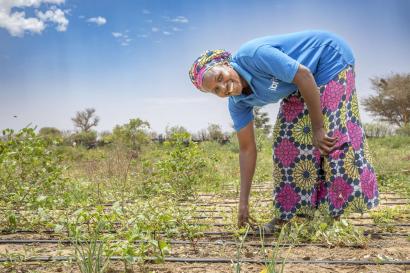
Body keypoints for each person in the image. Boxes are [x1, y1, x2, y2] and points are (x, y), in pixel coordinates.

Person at [188, 30, 379, 232]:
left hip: (328, 58)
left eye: (220, 77)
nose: (223, 88)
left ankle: (333, 216)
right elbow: (246, 149)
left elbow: (304, 74)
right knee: (285, 142)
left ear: (226, 64)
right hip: (298, 81)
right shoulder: (237, 103)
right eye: (216, 90)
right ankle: (288, 216)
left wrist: (318, 128)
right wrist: (243, 203)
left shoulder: (252, 55)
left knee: (331, 135)